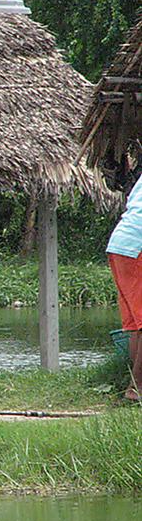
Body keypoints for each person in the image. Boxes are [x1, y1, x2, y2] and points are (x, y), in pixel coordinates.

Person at [107, 172, 142, 401]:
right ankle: (135, 390)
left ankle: (136, 388)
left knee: (135, 325)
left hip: (120, 245)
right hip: (138, 247)